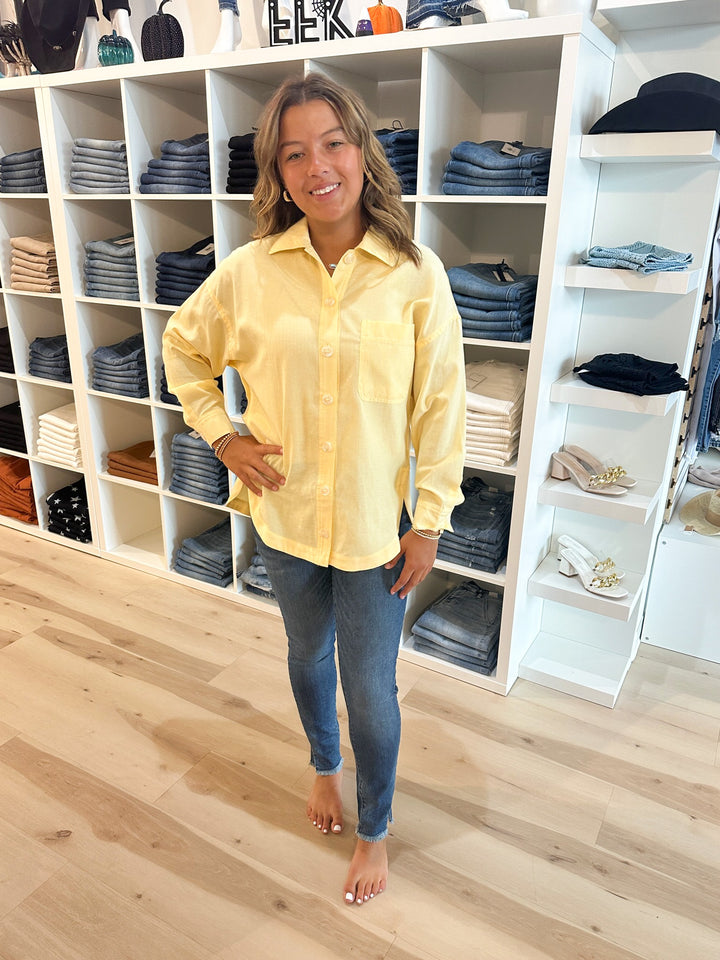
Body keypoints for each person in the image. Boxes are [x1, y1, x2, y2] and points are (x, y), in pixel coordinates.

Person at [162, 73, 466, 906]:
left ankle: (376, 829)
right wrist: (223, 435)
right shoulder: (250, 272)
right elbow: (183, 347)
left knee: (370, 688)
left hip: (376, 531)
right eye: (293, 153)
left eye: (332, 143)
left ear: (363, 150)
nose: (316, 166)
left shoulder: (416, 275)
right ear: (277, 172)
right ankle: (324, 767)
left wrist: (430, 522)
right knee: (306, 656)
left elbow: (442, 407)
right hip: (286, 517)